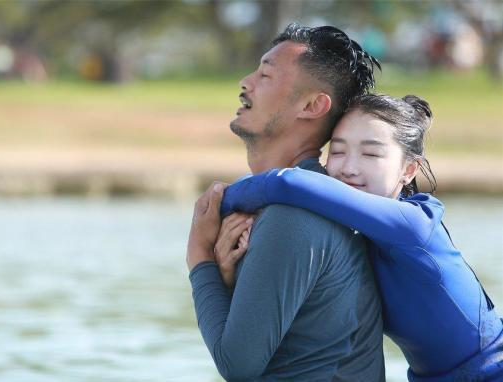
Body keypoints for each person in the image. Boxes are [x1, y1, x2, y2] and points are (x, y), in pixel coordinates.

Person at [219, 93, 503, 381]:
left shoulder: (416, 227)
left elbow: (288, 183)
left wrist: (218, 203)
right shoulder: (351, 235)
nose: (348, 168)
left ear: (408, 169)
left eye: (370, 154)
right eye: (338, 152)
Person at [186, 24, 385, 380]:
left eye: (265, 74)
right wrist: (224, 281)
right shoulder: (283, 205)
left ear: (311, 105)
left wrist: (199, 256)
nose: (246, 82)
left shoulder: (293, 216)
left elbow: (238, 366)